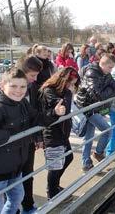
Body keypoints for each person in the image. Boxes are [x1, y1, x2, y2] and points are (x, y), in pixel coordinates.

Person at [0, 67, 66, 214]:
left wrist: (54, 113)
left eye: (23, 86)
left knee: (17, 198)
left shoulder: (22, 103)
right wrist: (6, 135)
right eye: (13, 86)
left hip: (15, 166)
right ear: (3, 85)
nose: (19, 90)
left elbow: (36, 118)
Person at [76, 54, 115, 172]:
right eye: (110, 67)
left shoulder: (106, 74)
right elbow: (98, 95)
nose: (111, 70)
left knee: (89, 136)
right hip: (88, 107)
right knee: (107, 131)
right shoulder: (92, 73)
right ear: (103, 64)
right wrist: (108, 91)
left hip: (96, 107)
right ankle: (98, 153)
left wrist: (107, 91)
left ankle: (86, 162)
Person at [40, 67, 80, 199]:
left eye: (74, 83)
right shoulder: (49, 90)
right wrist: (69, 93)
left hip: (62, 132)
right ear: (63, 80)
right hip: (52, 133)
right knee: (55, 165)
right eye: (70, 83)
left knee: (68, 158)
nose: (71, 86)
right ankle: (51, 192)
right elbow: (64, 109)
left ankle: (54, 185)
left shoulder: (64, 90)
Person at [16, 55, 43, 214]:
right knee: (12, 179)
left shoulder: (32, 87)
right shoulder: (9, 87)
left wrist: (38, 136)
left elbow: (35, 112)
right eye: (33, 75)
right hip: (12, 143)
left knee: (28, 174)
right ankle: (14, 209)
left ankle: (28, 204)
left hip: (28, 140)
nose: (35, 79)